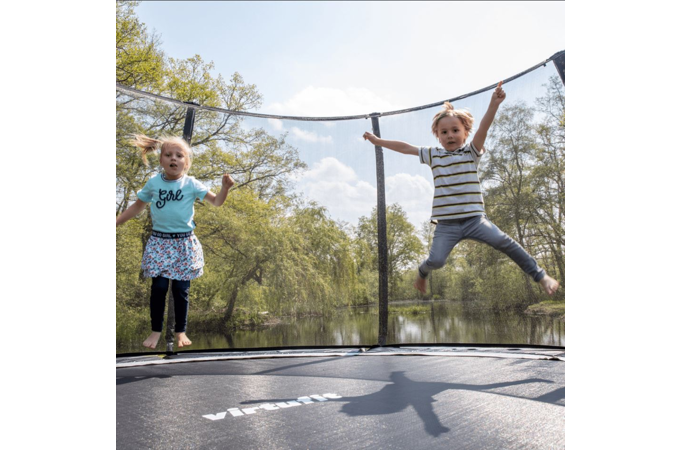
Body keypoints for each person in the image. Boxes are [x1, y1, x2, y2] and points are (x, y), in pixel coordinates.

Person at [363, 82, 560, 296]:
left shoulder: (471, 152)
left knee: (503, 241)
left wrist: (494, 104)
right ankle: (422, 271)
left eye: (455, 130)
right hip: (446, 224)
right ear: (437, 135)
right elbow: (405, 147)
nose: (450, 135)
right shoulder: (433, 155)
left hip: (475, 220)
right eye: (444, 132)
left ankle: (541, 276)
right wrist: (378, 141)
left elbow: (483, 128)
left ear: (465, 133)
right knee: (436, 261)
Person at [116, 134, 235, 349]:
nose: (174, 158)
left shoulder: (191, 183)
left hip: (183, 244)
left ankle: (180, 331)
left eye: (179, 156)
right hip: (160, 243)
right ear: (161, 160)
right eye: (168, 155)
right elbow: (137, 206)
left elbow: (217, 202)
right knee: (159, 287)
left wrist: (225, 188)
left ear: (186, 163)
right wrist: (117, 221)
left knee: (180, 290)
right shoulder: (154, 183)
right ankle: (155, 331)